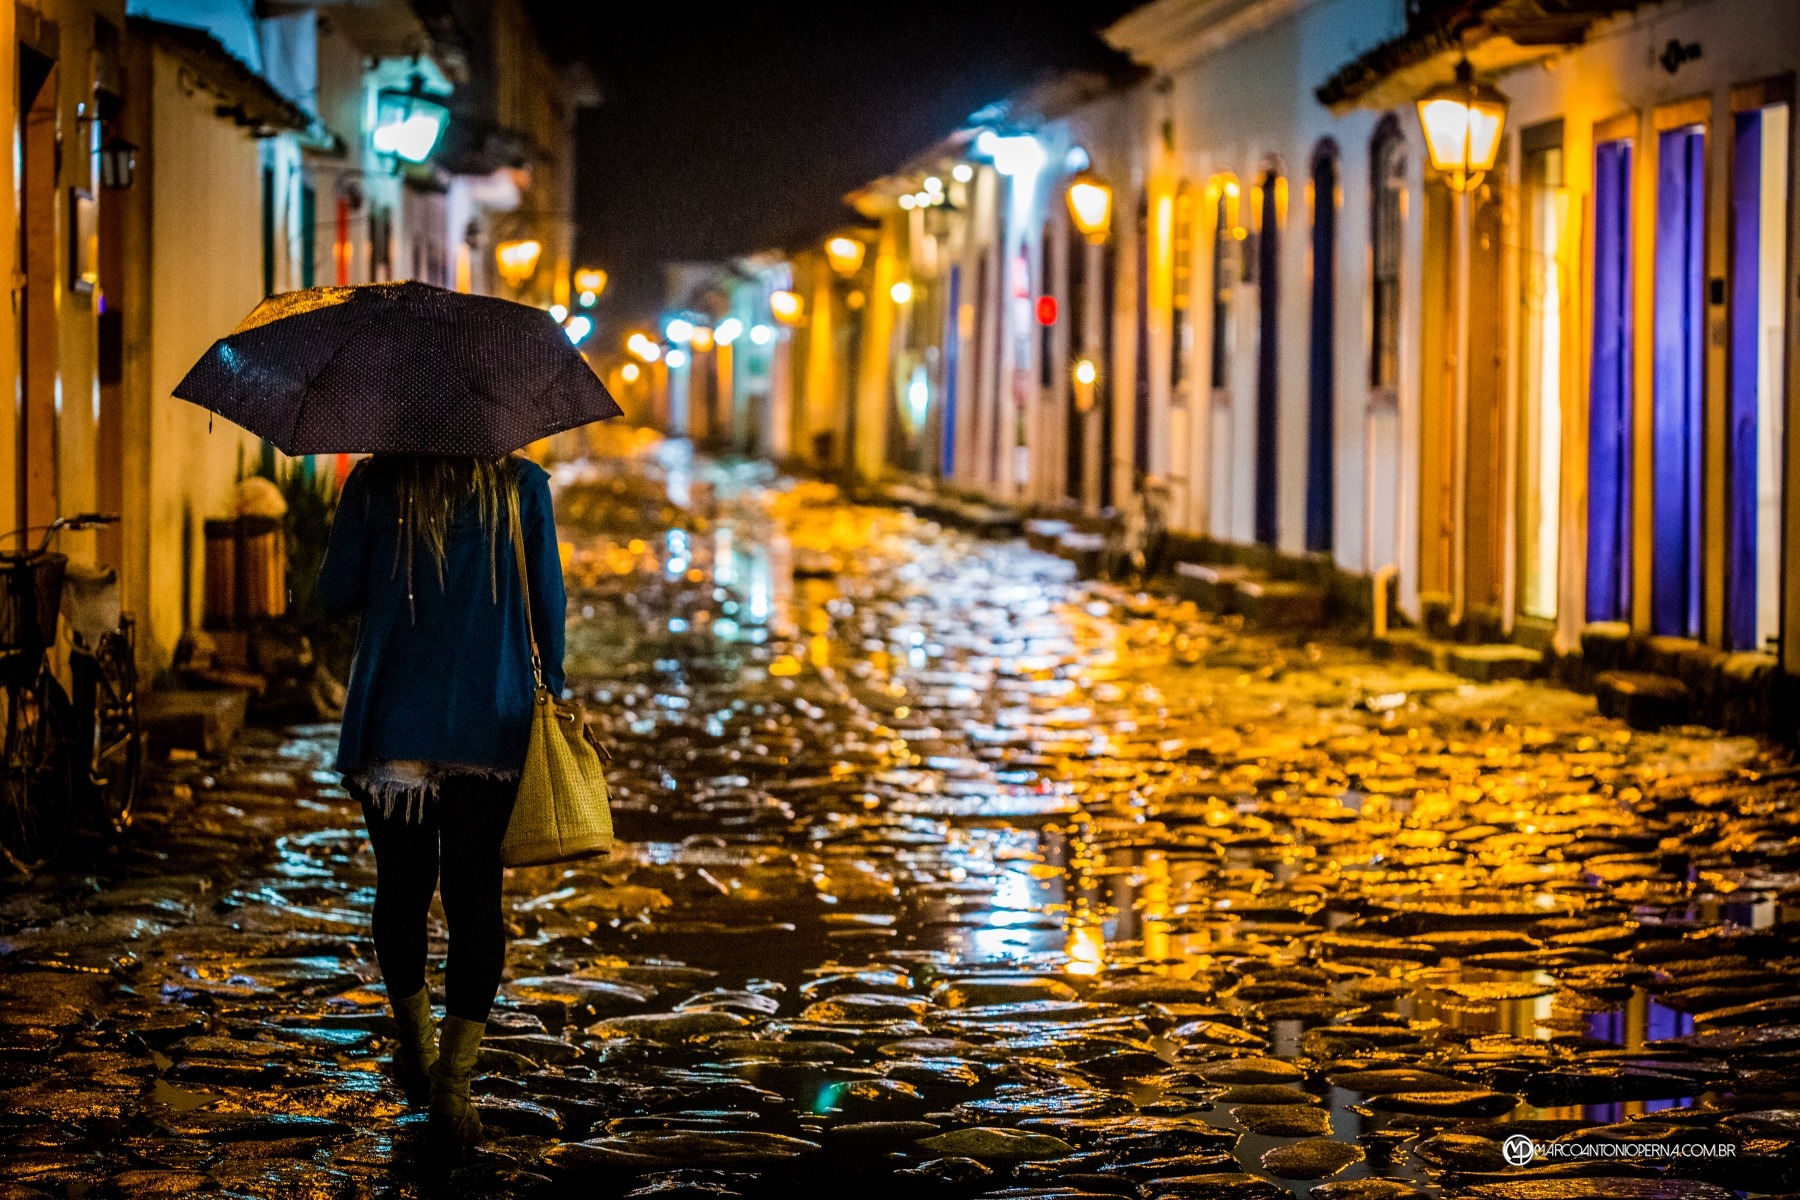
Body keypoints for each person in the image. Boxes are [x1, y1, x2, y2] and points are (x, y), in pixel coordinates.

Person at [316, 452, 565, 1155]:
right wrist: (560, 680)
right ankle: (454, 1080)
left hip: (393, 720)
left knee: (401, 890)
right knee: (476, 898)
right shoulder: (521, 487)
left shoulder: (375, 482)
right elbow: (549, 603)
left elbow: (334, 593)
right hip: (491, 723)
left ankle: (418, 1051)